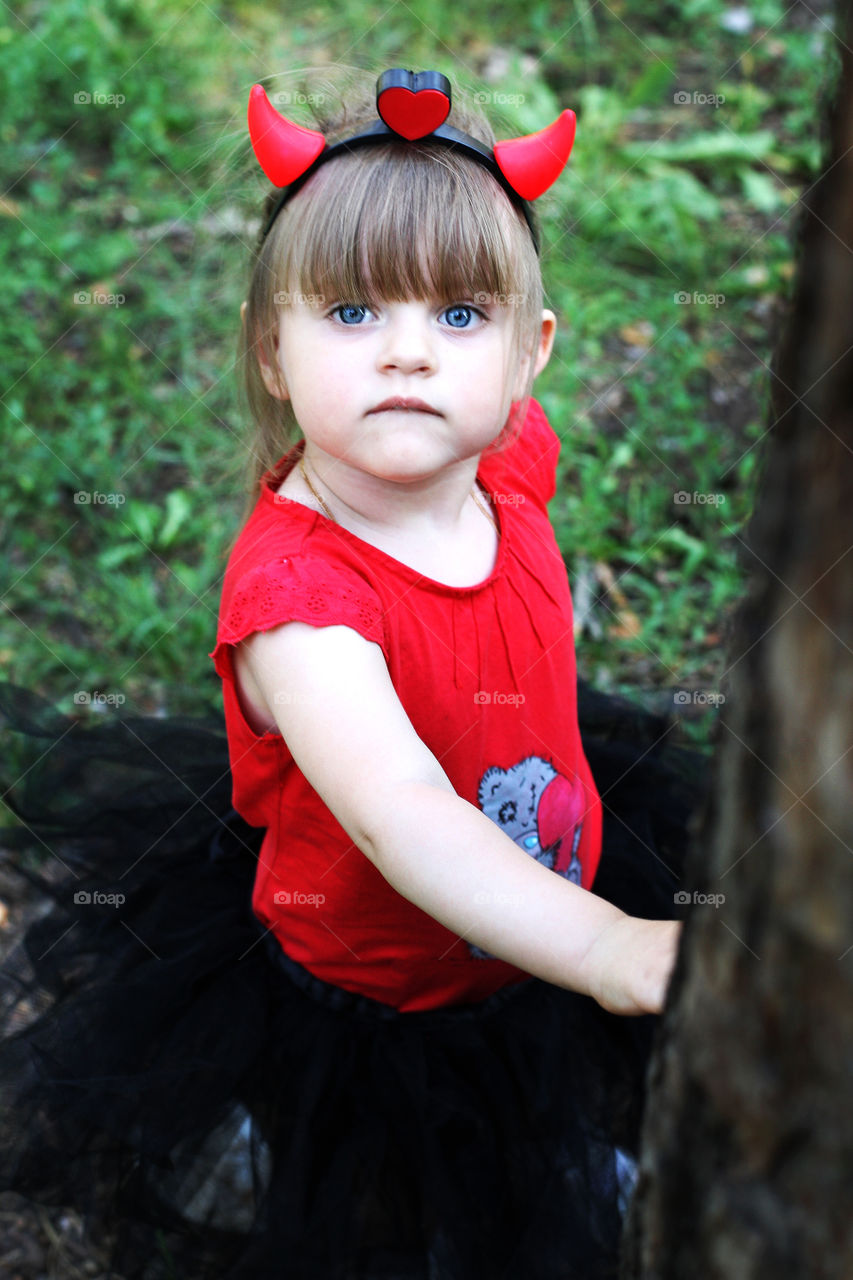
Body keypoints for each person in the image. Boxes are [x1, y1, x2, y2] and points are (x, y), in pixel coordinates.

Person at [0, 68, 706, 1280]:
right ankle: (283, 1146)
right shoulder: (302, 613)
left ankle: (547, 1133)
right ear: (271, 350)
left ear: (529, 357)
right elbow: (403, 822)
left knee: (534, 1073)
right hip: (383, 965)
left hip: (534, 865)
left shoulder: (505, 460)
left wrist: (575, 933)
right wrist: (604, 949)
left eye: (458, 315)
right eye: (350, 315)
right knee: (397, 1158)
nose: (408, 356)